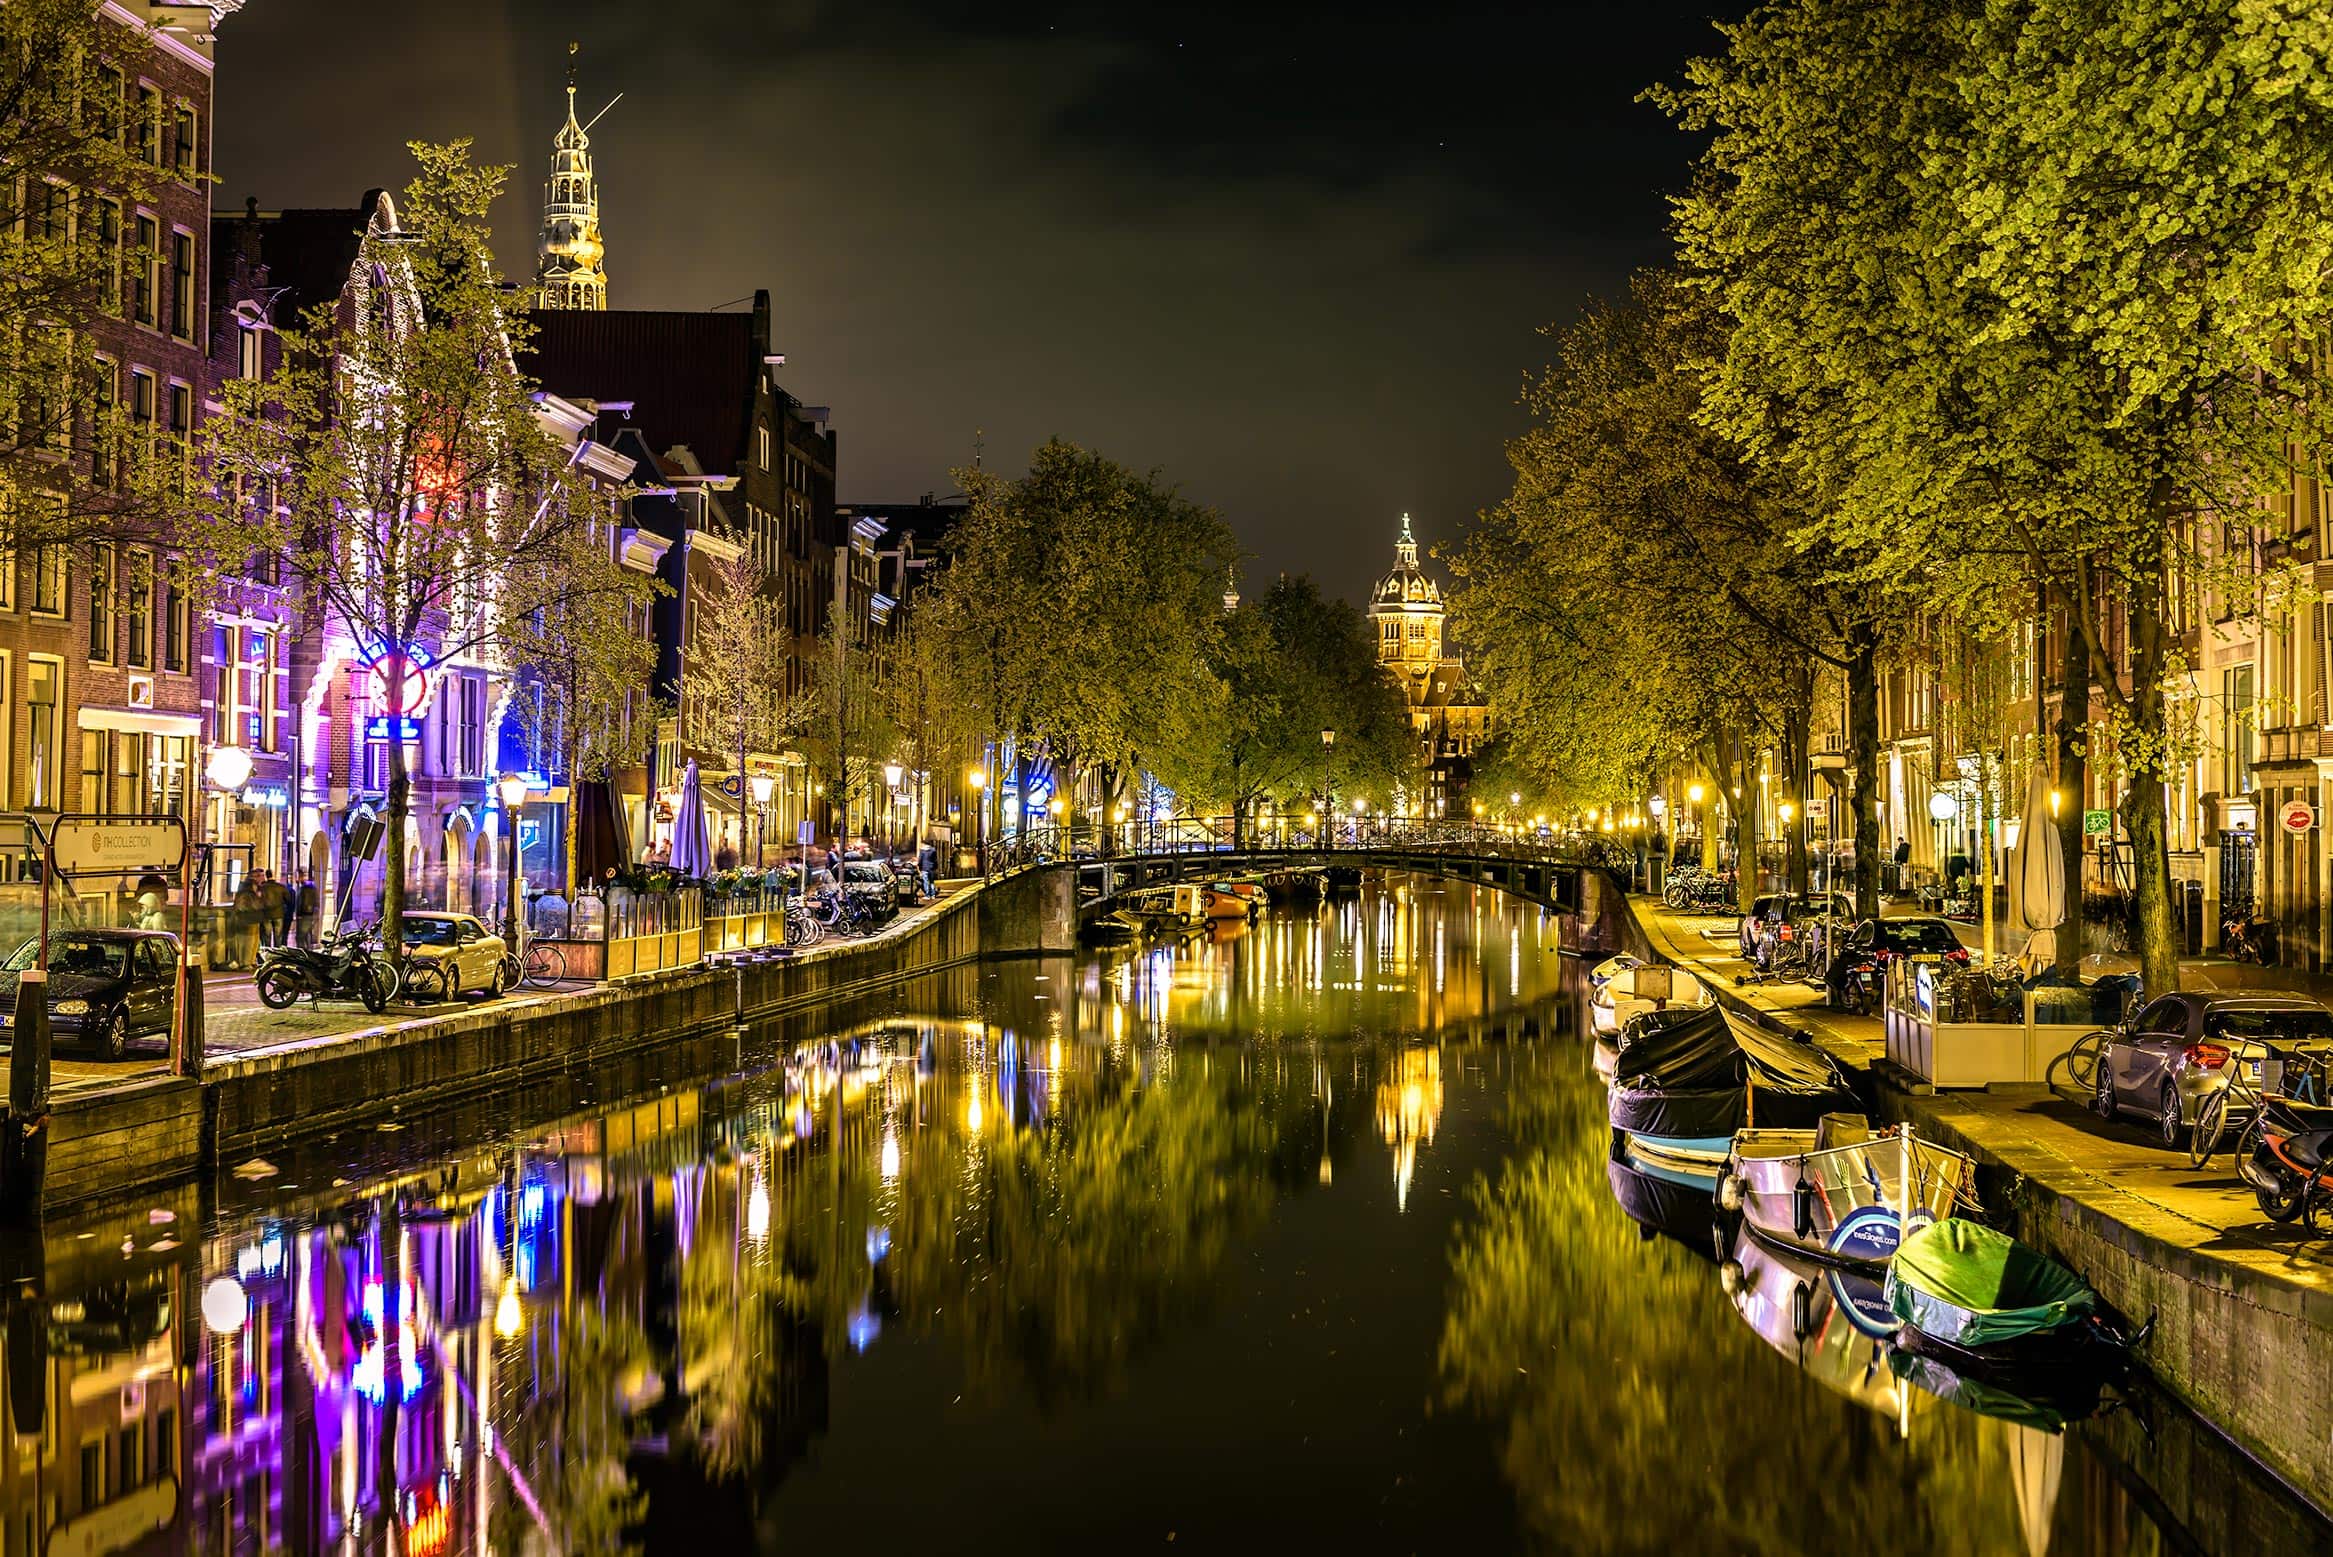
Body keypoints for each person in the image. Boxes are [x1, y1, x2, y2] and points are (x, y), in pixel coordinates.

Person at [229, 874, 262, 969]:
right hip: (247, 921)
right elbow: (242, 907)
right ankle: (245, 963)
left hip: (252, 920)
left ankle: (250, 961)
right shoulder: (246, 895)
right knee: (247, 943)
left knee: (252, 942)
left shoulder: (249, 894)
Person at [256, 870, 288, 949]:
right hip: (278, 914)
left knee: (267, 936)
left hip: (266, 914)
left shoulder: (262, 888)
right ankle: (278, 953)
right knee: (278, 936)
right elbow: (288, 899)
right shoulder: (281, 887)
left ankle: (269, 953)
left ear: (266, 876)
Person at [295, 873, 321, 947]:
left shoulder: (304, 888)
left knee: (301, 936)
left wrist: (299, 913)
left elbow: (300, 902)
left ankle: (302, 953)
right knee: (307, 935)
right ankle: (308, 951)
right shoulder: (312, 887)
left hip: (304, 914)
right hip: (309, 913)